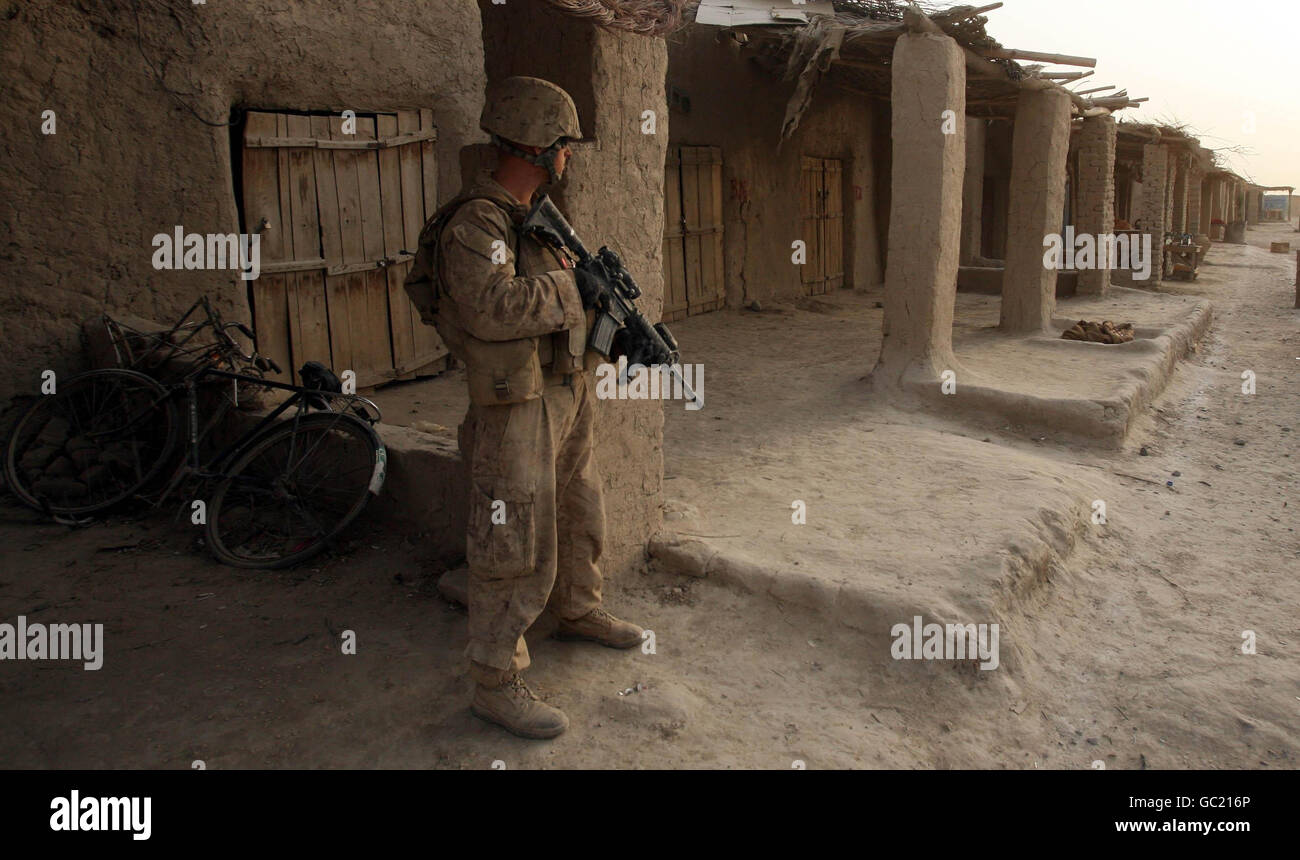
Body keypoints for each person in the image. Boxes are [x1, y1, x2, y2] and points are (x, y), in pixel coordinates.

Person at [404, 76, 643, 739]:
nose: (569, 157)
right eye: (564, 145)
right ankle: (494, 680)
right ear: (538, 145)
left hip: (565, 390)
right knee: (510, 540)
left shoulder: (535, 213)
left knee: (578, 507)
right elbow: (494, 306)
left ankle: (576, 608)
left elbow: (566, 294)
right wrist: (576, 288)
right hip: (514, 408)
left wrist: (607, 317)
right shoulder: (477, 222)